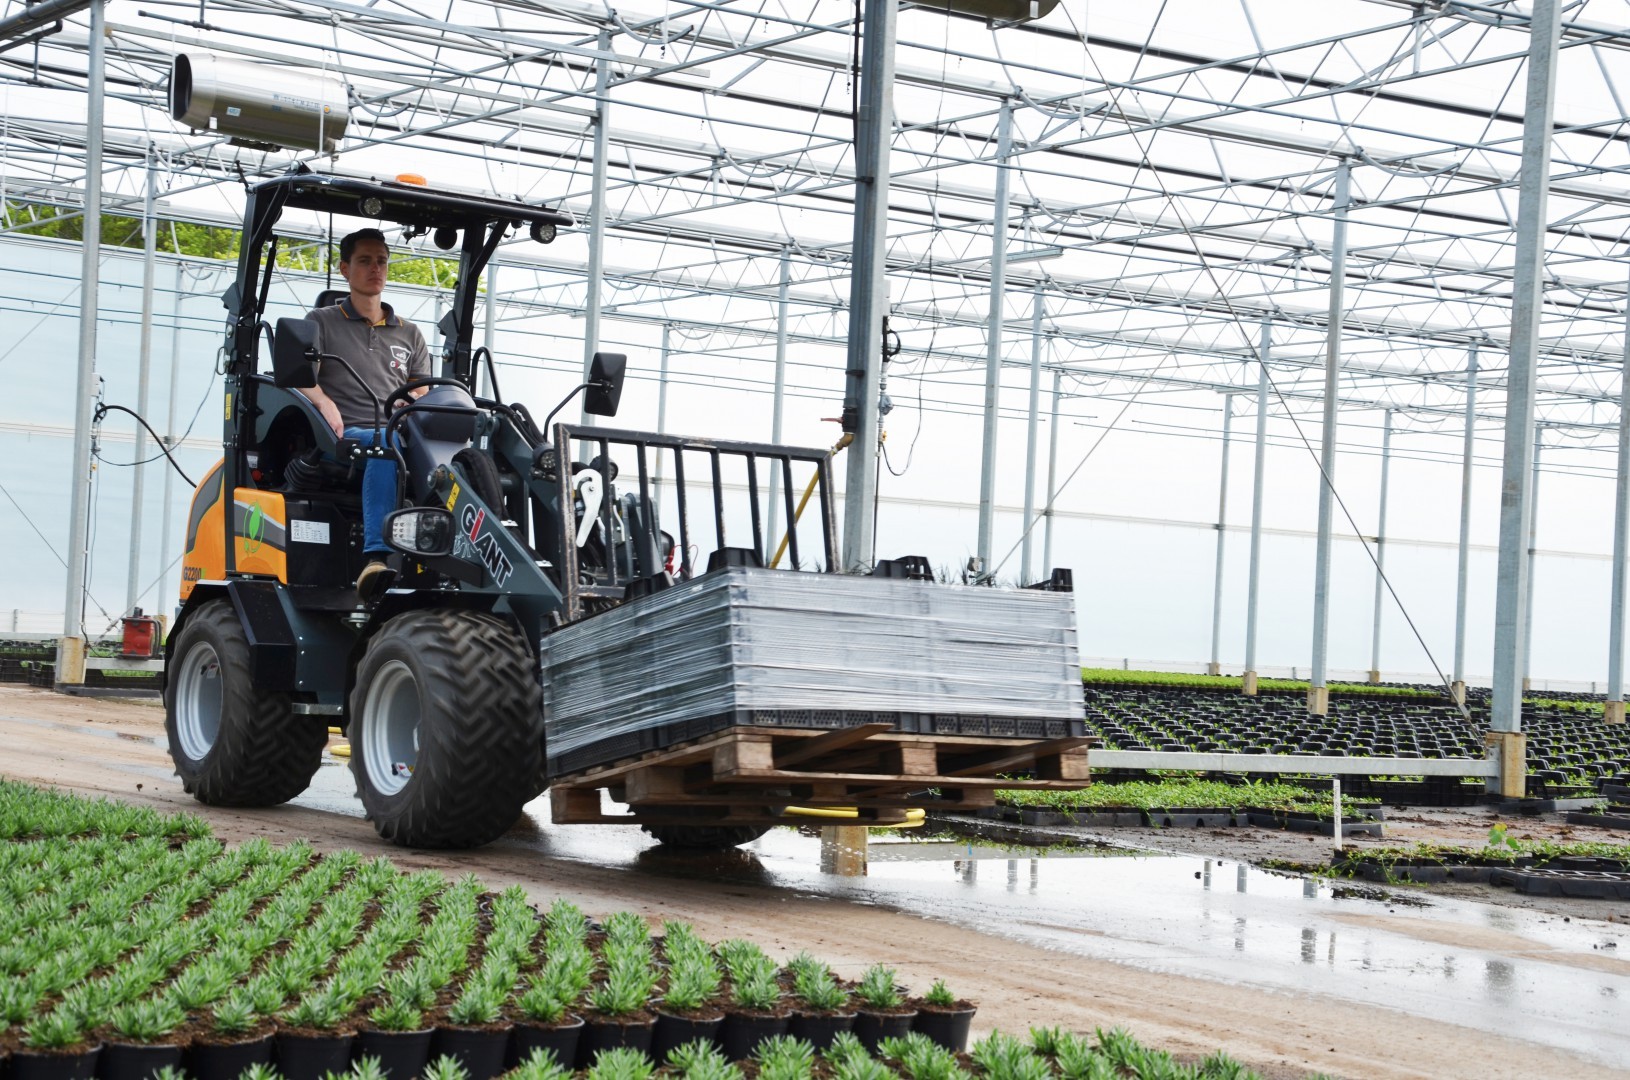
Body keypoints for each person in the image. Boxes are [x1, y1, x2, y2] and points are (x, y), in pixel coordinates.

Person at [302, 228, 432, 597]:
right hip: (344, 434)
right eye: (364, 261)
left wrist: (413, 400)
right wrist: (324, 402)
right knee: (384, 446)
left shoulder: (410, 333)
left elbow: (422, 388)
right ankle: (376, 557)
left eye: (381, 261)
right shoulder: (321, 321)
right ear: (344, 269)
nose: (375, 268)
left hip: (398, 431)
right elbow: (301, 377)